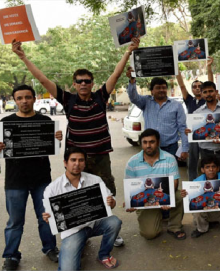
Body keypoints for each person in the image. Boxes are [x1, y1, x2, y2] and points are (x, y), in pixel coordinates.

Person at [12, 37, 135, 201]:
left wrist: (129, 51)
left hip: (100, 157)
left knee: (106, 196)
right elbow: (42, 79)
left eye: (87, 81)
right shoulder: (68, 99)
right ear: (74, 84)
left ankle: (105, 226)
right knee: (78, 198)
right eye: (79, 81)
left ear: (92, 83)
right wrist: (23, 57)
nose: (83, 83)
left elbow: (116, 73)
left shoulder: (100, 97)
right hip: (76, 159)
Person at [0, 85, 63, 270]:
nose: (24, 101)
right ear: (15, 101)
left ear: (34, 99)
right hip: (15, 181)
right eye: (19, 98)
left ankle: (50, 248)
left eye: (27, 97)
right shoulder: (5, 123)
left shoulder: (45, 120)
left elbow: (53, 145)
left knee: (46, 217)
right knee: (15, 222)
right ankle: (11, 256)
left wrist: (56, 138)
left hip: (41, 179)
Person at [43, 147, 122, 270]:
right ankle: (79, 245)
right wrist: (48, 217)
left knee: (114, 222)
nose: (77, 164)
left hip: (93, 223)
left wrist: (111, 202)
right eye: (73, 160)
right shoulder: (52, 188)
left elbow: (112, 202)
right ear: (65, 162)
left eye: (81, 160)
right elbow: (51, 216)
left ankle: (104, 255)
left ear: (85, 163)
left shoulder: (95, 180)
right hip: (73, 232)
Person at [124, 129, 185, 240]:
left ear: (158, 142)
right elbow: (130, 187)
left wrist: (167, 199)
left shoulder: (169, 158)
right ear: (141, 143)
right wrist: (130, 202)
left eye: (152, 142)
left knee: (180, 195)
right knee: (149, 234)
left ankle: (175, 227)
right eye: (145, 142)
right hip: (145, 200)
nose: (148, 145)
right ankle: (158, 218)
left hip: (163, 195)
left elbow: (174, 182)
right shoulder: (132, 162)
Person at [125, 70, 189, 161]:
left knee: (169, 174)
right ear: (152, 91)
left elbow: (182, 128)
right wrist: (132, 81)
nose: (161, 90)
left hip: (170, 147)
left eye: (164, 87)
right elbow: (133, 97)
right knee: (151, 172)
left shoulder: (176, 105)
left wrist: (185, 149)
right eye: (158, 88)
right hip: (150, 147)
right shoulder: (146, 102)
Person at [187, 81, 220, 179]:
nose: (208, 94)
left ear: (216, 92)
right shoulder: (197, 113)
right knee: (208, 184)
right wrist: (190, 132)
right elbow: (194, 134)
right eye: (205, 92)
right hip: (206, 154)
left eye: (211, 91)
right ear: (202, 94)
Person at [180, 155, 220, 238]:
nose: (211, 170)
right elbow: (191, 203)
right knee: (196, 212)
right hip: (206, 213)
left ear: (218, 168)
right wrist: (185, 195)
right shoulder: (196, 182)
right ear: (202, 170)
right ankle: (201, 228)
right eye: (207, 167)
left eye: (213, 167)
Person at [178, 57, 214, 181]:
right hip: (192, 135)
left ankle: (207, 183)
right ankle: (193, 183)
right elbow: (182, 85)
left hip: (206, 135)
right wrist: (175, 68)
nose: (197, 88)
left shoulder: (207, 99)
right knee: (192, 161)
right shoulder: (189, 100)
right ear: (192, 89)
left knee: (206, 161)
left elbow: (211, 83)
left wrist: (209, 67)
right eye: (195, 86)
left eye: (200, 86)